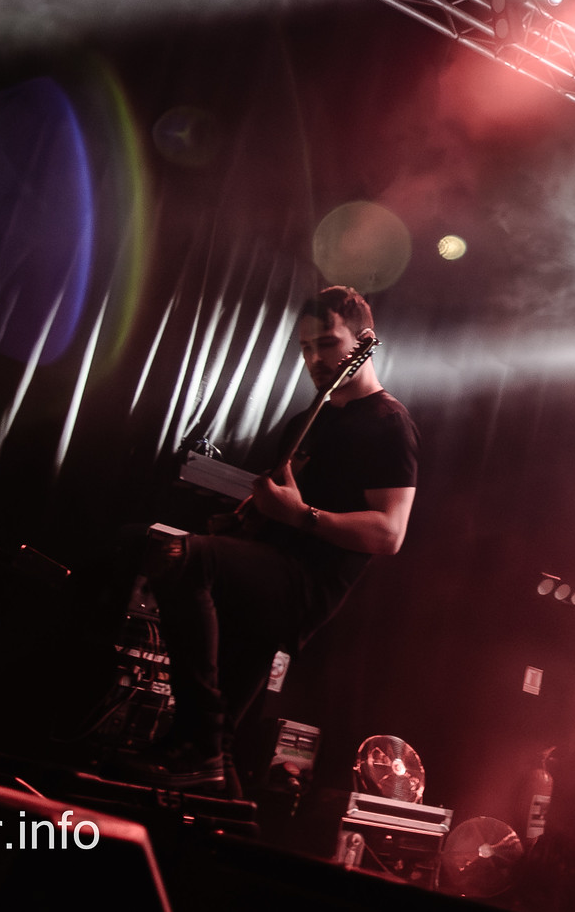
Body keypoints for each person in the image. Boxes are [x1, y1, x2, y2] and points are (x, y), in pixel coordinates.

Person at [137, 285, 418, 791]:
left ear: (363, 341)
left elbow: (389, 533)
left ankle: (199, 739)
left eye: (327, 344)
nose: (315, 359)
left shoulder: (388, 422)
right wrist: (247, 521)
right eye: (306, 348)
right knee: (218, 754)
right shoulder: (306, 421)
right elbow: (279, 505)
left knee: (179, 556)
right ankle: (218, 796)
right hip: (263, 572)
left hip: (304, 585)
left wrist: (299, 515)